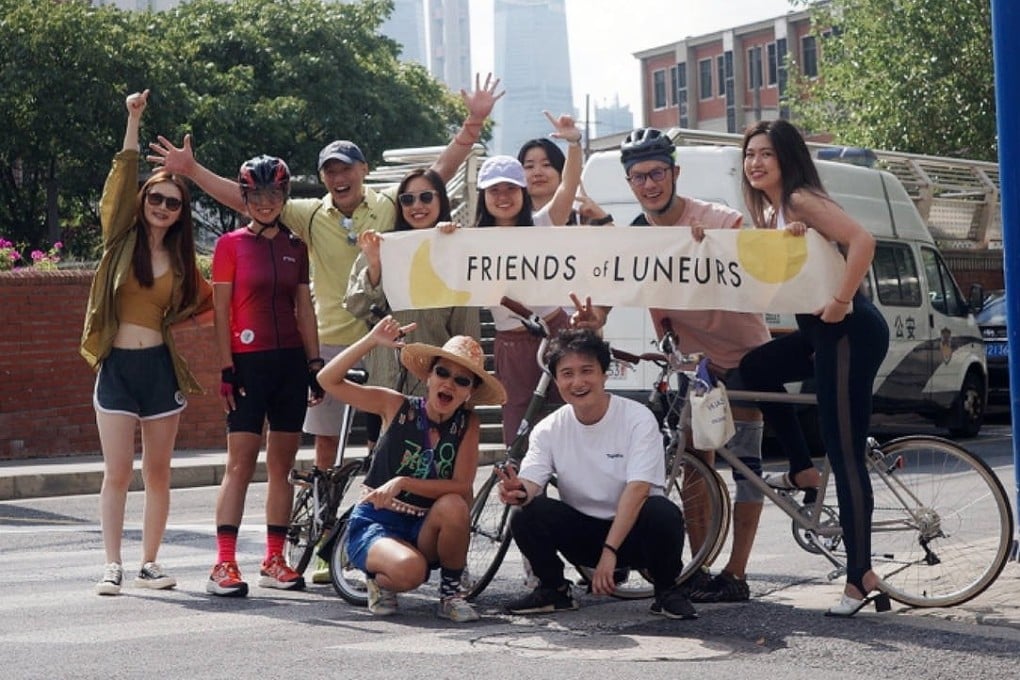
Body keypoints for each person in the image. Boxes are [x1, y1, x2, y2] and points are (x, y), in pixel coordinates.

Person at [149, 73, 504, 471]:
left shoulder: (390, 203)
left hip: (388, 342)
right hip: (331, 342)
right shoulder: (311, 213)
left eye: (347, 169)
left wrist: (472, 125)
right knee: (325, 444)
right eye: (330, 171)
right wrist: (193, 170)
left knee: (386, 440)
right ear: (322, 178)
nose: (339, 177)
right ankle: (323, 517)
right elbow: (249, 200)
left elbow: (436, 174)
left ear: (363, 170)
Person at [573, 127, 772, 603]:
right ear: (629, 183)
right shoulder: (637, 239)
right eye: (639, 176)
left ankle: (737, 573)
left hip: (745, 356)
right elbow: (609, 300)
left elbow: (753, 257)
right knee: (692, 467)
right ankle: (698, 568)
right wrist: (592, 317)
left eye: (658, 173)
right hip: (693, 366)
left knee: (746, 467)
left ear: (674, 173)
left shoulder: (717, 219)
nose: (649, 184)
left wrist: (717, 248)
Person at [736, 119, 890, 617]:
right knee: (756, 366)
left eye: (766, 154)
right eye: (749, 154)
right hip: (819, 332)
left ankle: (859, 576)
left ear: (786, 159)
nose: (755, 162)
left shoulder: (799, 197)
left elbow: (862, 240)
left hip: (847, 330)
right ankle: (802, 470)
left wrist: (843, 300)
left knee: (843, 453)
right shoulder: (776, 209)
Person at [81, 89, 213, 596]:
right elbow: (120, 179)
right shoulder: (121, 239)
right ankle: (111, 564)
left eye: (172, 202)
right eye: (155, 198)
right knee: (117, 473)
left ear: (181, 212)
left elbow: (206, 304)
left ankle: (150, 563)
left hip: (159, 370)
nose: (161, 206)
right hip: (116, 368)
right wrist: (133, 119)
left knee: (158, 473)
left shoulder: (183, 263)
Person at [496, 328, 696, 620]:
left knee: (662, 511)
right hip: (582, 534)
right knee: (526, 513)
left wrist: (610, 551)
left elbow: (638, 489)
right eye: (567, 373)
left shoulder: (637, 418)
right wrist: (518, 490)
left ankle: (667, 591)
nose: (577, 382)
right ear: (556, 380)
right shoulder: (548, 428)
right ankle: (554, 590)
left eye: (586, 370)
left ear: (605, 373)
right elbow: (532, 479)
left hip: (634, 535)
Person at [315, 317, 507, 622]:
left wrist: (403, 481)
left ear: (469, 392)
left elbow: (460, 485)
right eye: (442, 372)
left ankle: (451, 594)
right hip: (378, 521)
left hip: (424, 527)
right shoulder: (396, 405)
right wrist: (371, 342)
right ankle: (378, 580)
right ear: (429, 377)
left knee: (455, 505)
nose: (449, 383)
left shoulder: (467, 423)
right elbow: (327, 380)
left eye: (462, 380)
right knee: (411, 572)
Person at [205, 155, 324, 597]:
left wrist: (314, 365)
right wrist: (224, 367)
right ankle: (223, 563)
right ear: (245, 196)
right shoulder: (230, 244)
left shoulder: (297, 245)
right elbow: (219, 314)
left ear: (284, 196)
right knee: (239, 465)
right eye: (257, 194)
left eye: (274, 193)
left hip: (291, 364)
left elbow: (304, 310)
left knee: (282, 467)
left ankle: (274, 558)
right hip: (247, 364)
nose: (266, 202)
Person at [475, 112, 582, 447]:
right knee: (517, 435)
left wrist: (574, 143)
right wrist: (443, 232)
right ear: (483, 196)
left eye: (511, 188)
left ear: (523, 191)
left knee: (573, 421)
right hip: (510, 344)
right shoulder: (469, 241)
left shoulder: (543, 223)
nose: (503, 196)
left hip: (557, 331)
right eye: (495, 190)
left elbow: (569, 185)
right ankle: (522, 499)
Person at [516, 138, 612, 226]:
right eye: (529, 166)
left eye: (546, 164)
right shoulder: (514, 219)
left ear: (562, 172)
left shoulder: (581, 217)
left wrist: (601, 217)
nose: (537, 173)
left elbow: (617, 243)